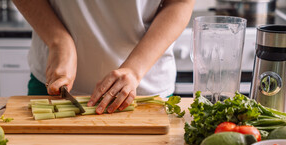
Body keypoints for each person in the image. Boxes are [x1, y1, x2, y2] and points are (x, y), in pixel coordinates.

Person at [13, 0, 194, 114]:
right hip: (53, 86)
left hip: (143, 91)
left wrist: (134, 69)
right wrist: (58, 40)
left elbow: (181, 2)